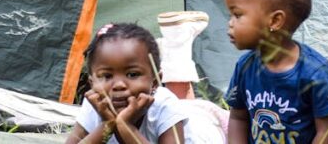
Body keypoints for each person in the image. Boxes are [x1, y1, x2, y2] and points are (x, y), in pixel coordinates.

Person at [223, 0, 328, 144]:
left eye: (238, 15)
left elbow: (327, 131)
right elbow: (238, 118)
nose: (230, 22)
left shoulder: (315, 73)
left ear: (274, 21)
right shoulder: (244, 67)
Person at [65, 23, 225, 144]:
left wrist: (126, 126)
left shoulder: (165, 107)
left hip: (206, 132)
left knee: (197, 113)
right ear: (92, 83)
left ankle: (178, 42)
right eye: (106, 76)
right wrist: (108, 124)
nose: (119, 85)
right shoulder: (96, 103)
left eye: (132, 74)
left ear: (155, 81)